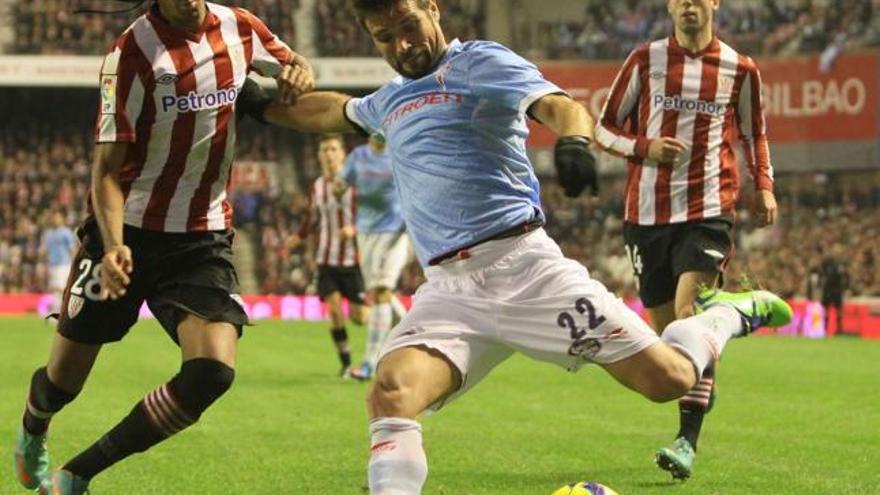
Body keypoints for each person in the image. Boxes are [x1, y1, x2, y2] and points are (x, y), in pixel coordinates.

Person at [237, 1, 792, 493]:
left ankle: (724, 317)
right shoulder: (390, 99)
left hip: (525, 269)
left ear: (432, 8)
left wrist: (574, 142)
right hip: (449, 291)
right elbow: (329, 109)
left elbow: (558, 104)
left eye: (408, 25)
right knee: (390, 391)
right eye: (385, 37)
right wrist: (255, 102)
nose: (401, 44)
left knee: (669, 379)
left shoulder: (479, 60)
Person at [11, 1, 313, 493]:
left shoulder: (240, 26)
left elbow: (294, 65)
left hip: (201, 234)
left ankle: (76, 474)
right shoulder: (130, 53)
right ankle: (33, 427)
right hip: (126, 233)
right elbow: (106, 173)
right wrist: (112, 247)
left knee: (212, 372)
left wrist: (301, 72)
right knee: (62, 382)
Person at [594, 0, 778, 480]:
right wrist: (645, 148)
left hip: (709, 209)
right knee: (673, 351)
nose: (689, 5)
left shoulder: (740, 68)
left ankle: (686, 443)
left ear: (713, 3)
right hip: (647, 215)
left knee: (686, 317)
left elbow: (754, 133)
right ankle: (734, 312)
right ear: (671, 6)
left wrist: (764, 185)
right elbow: (602, 129)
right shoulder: (644, 60)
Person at [287, 134, 370, 378]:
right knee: (333, 310)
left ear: (343, 154)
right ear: (319, 156)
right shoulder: (318, 186)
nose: (329, 154)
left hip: (353, 261)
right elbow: (313, 219)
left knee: (360, 318)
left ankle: (382, 310)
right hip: (326, 260)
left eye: (334, 149)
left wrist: (354, 229)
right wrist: (299, 236)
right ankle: (345, 364)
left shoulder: (357, 182)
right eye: (325, 150)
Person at [339, 132, 410, 379]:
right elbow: (341, 183)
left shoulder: (399, 155)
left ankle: (369, 363)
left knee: (381, 293)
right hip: (365, 231)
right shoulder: (358, 156)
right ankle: (412, 330)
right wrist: (338, 186)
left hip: (395, 230)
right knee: (380, 293)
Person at [40, 211, 77, 314]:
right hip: (52, 264)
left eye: (57, 217)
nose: (55, 220)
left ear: (61, 219)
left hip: (63, 264)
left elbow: (71, 249)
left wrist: (74, 262)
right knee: (54, 287)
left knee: (61, 287)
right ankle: (58, 309)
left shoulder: (66, 232)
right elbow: (46, 250)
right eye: (54, 218)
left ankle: (60, 309)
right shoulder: (48, 233)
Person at [809, 244, 849, 335]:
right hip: (828, 290)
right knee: (826, 310)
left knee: (838, 310)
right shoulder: (825, 264)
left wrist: (846, 288)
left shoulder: (840, 264)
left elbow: (846, 276)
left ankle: (839, 329)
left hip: (837, 290)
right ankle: (825, 329)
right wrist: (819, 286)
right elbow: (819, 275)